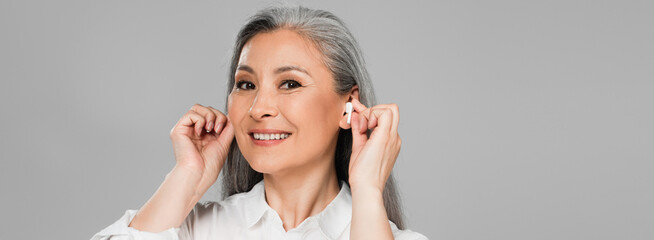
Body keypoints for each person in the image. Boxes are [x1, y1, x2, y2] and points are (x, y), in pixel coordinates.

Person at [90, 4, 428, 240]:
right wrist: (187, 176)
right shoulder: (189, 231)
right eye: (246, 85)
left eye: (290, 83)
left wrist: (369, 191)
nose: (258, 107)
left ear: (349, 105)